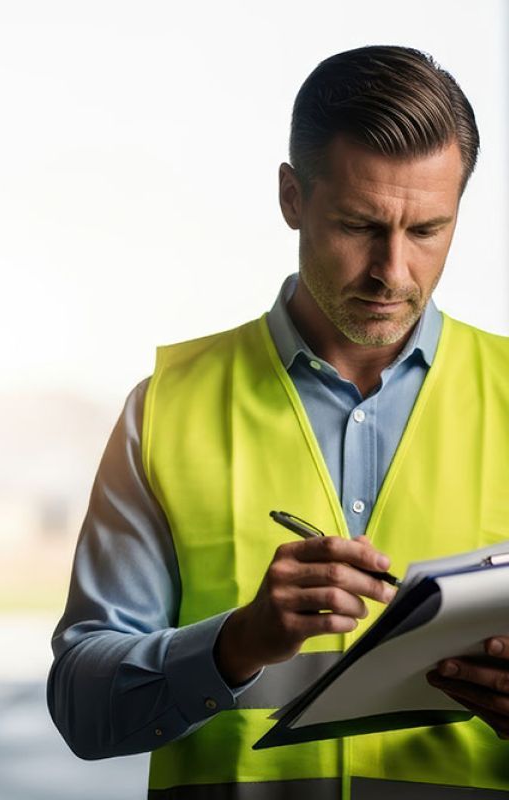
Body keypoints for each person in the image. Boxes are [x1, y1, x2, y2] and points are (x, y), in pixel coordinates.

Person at [47, 45, 509, 798]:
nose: (392, 271)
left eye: (427, 230)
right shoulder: (166, 409)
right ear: (292, 197)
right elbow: (81, 707)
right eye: (358, 225)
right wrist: (235, 645)